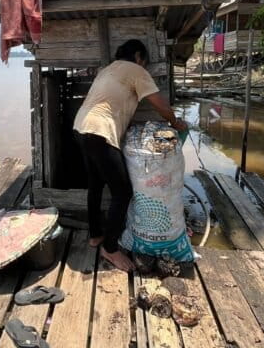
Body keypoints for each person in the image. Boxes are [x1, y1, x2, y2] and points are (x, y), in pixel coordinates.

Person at [73, 39, 188, 271]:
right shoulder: (136, 70)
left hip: (80, 127)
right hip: (100, 132)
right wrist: (176, 122)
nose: (144, 66)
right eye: (144, 61)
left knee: (95, 184)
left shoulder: (108, 70)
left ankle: (95, 235)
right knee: (122, 192)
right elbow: (159, 104)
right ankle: (110, 248)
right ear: (138, 56)